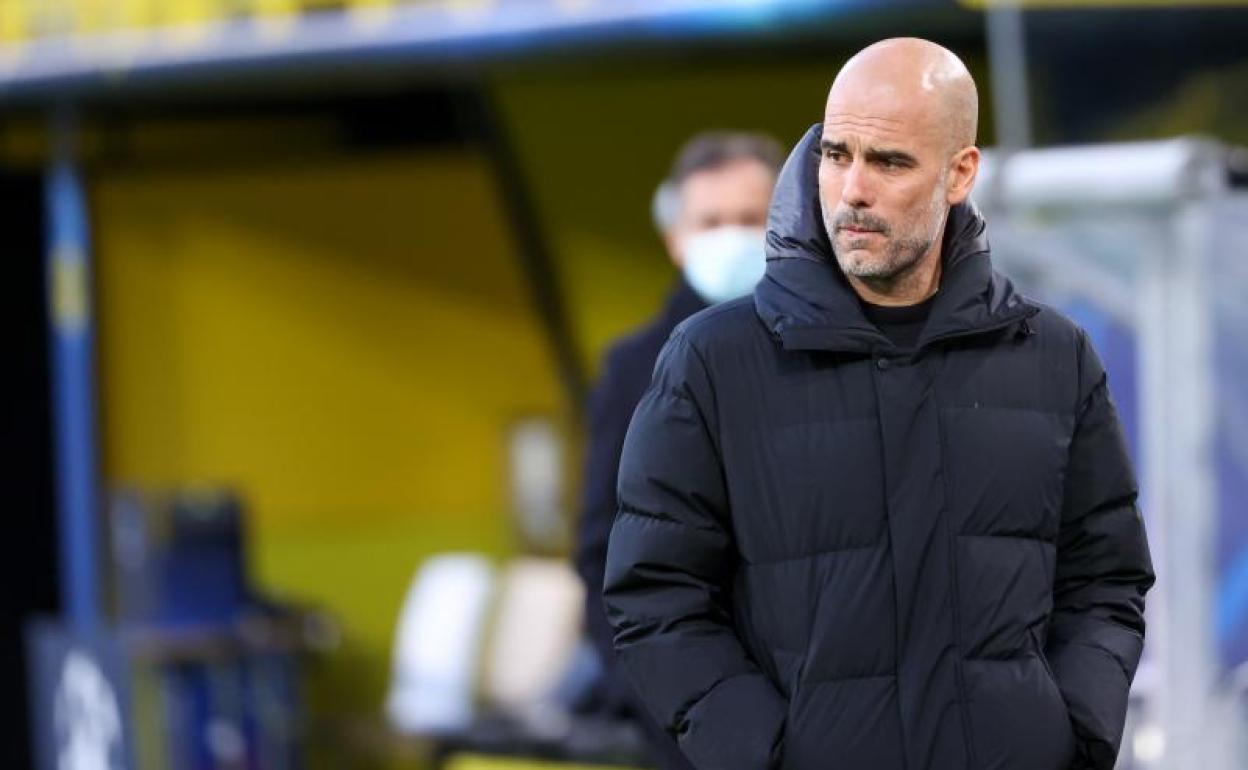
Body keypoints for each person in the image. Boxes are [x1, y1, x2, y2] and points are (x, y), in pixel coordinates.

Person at [603, 38, 1154, 770]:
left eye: (890, 162)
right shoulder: (712, 362)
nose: (853, 190)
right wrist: (764, 753)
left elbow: (1106, 580)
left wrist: (1072, 736)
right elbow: (656, 595)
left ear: (960, 173)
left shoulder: (1054, 357)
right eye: (836, 155)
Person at [574, 131, 784, 769]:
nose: (733, 236)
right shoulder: (635, 369)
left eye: (751, 218)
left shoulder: (840, 352)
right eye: (711, 222)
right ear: (675, 238)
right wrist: (655, 703)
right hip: (684, 725)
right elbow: (602, 551)